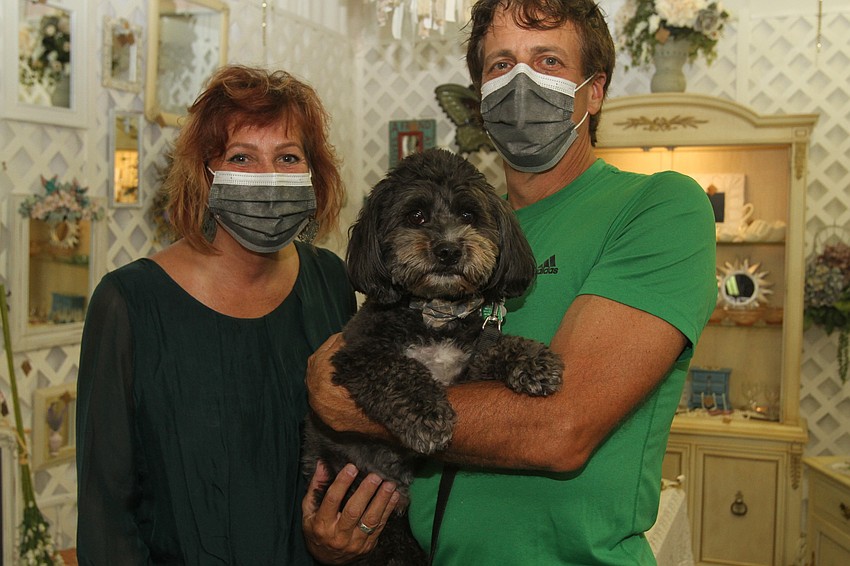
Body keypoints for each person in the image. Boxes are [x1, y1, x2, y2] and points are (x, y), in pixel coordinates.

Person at [304, 0, 718, 564]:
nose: (521, 80)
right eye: (501, 65)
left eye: (548, 60)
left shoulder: (657, 207)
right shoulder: (470, 225)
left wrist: (351, 405)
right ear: (479, 98)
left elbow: (560, 428)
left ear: (594, 92)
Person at [76, 64, 399, 565]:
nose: (268, 179)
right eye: (242, 157)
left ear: (315, 173)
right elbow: (106, 514)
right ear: (205, 173)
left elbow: (346, 451)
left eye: (288, 157)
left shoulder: (330, 281)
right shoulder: (129, 302)